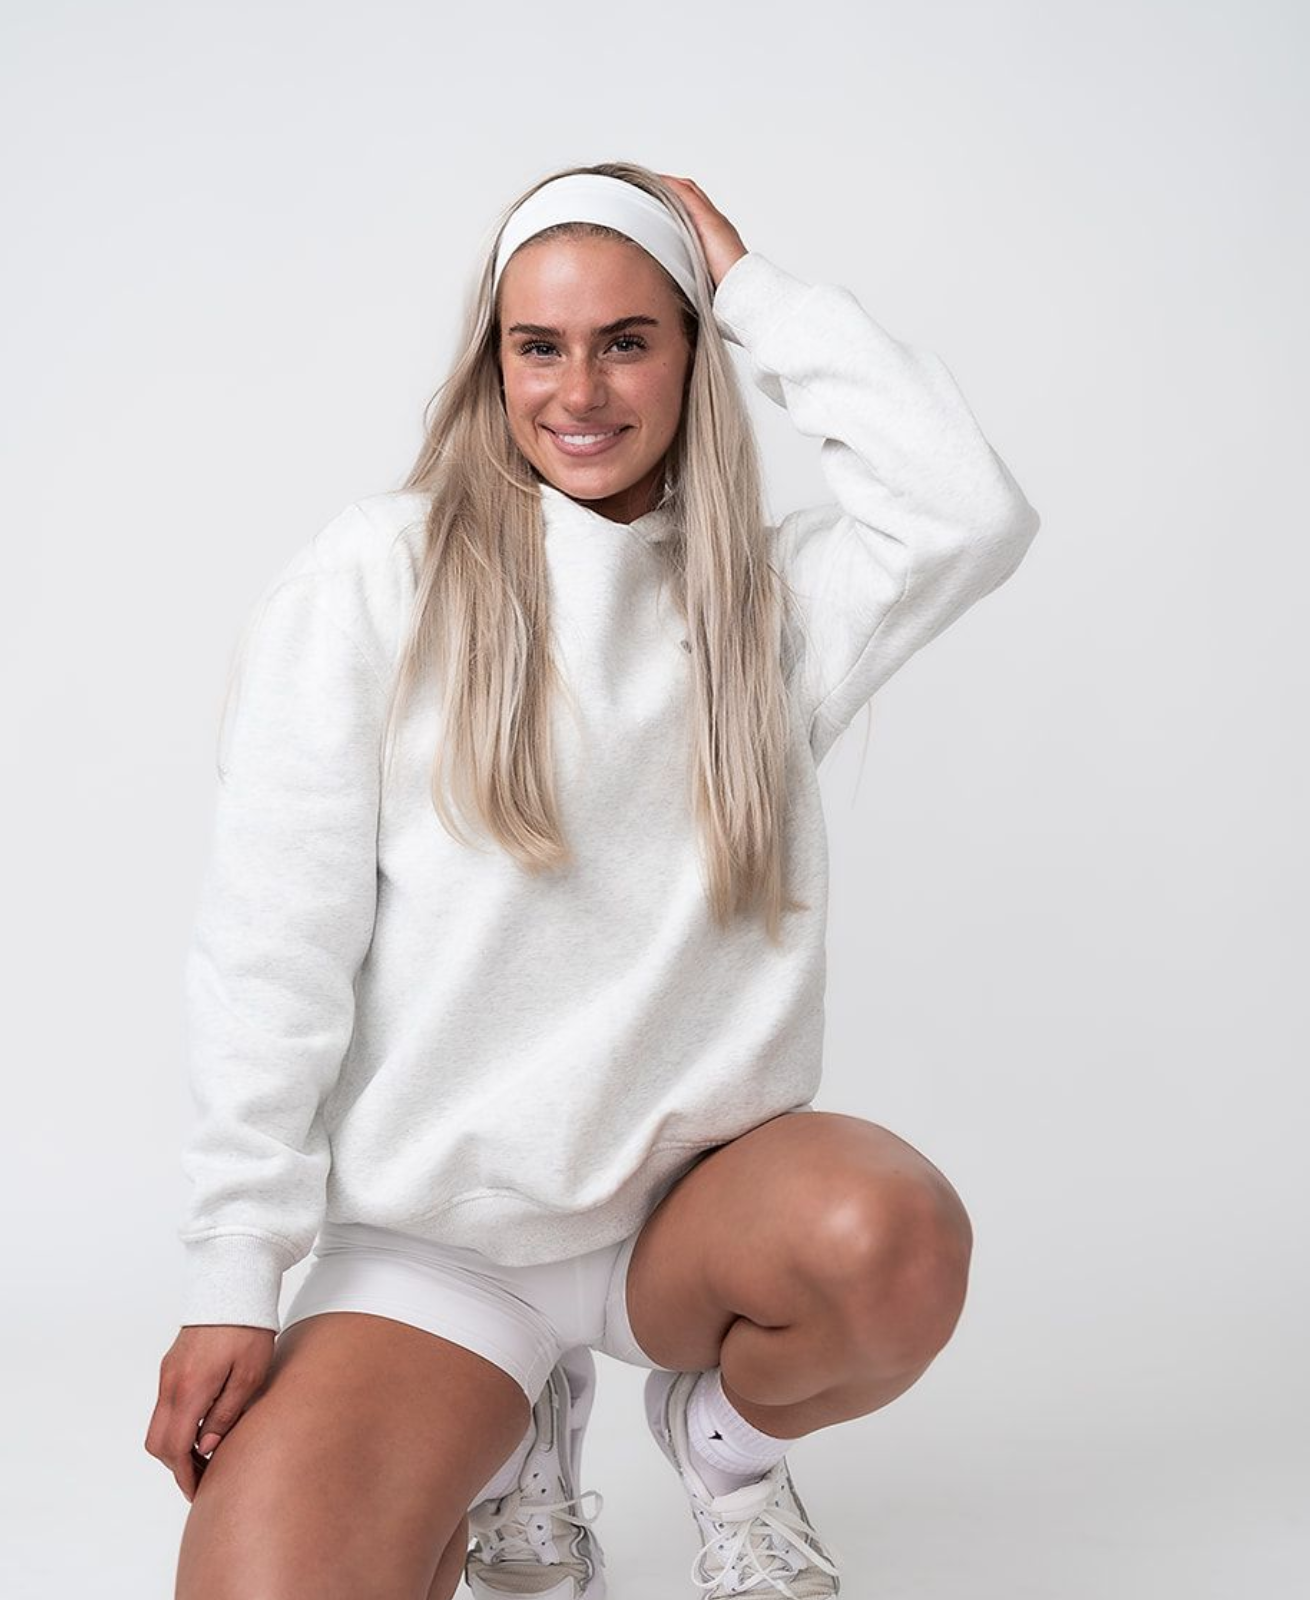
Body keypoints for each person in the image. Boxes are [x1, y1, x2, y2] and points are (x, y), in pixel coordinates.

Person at [145, 161, 1041, 1600]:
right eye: (538, 344)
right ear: (490, 365)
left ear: (692, 354)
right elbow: (272, 951)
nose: (582, 389)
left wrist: (758, 292)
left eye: (630, 338)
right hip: (443, 1254)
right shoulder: (376, 578)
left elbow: (968, 512)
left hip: (686, 1221)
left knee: (891, 1240)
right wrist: (231, 1283)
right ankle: (520, 1436)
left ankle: (724, 1447)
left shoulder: (762, 606)